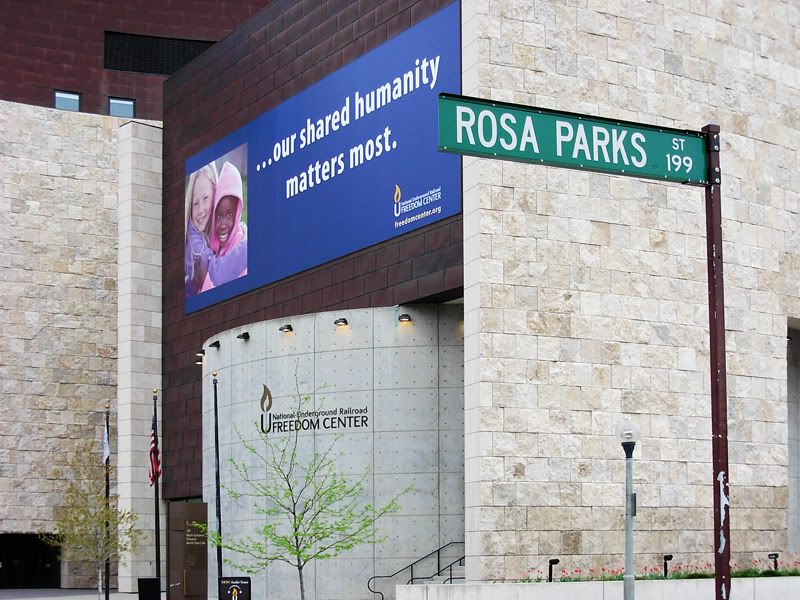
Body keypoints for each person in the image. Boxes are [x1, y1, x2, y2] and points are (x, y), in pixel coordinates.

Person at [201, 161, 248, 291]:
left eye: (229, 215)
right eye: (218, 216)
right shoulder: (209, 245)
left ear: (237, 214)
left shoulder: (243, 246)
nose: (223, 224)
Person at [184, 163, 217, 298]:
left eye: (205, 198)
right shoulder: (194, 245)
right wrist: (243, 248)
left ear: (215, 193)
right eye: (195, 203)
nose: (201, 210)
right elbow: (217, 271)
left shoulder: (214, 228)